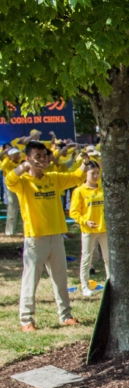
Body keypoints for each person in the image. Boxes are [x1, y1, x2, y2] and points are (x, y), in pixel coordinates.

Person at [7, 141, 82, 331]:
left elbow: (77, 177)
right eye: (37, 156)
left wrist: (87, 161)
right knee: (31, 280)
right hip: (35, 238)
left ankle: (65, 315)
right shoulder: (23, 182)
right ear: (28, 158)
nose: (42, 160)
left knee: (60, 279)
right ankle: (26, 320)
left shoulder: (54, 178)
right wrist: (24, 167)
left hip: (56, 236)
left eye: (44, 156)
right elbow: (9, 180)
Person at [68, 160, 108, 296]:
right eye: (93, 173)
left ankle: (110, 284)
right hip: (88, 230)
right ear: (86, 173)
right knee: (87, 258)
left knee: (108, 258)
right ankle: (85, 286)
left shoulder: (103, 188)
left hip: (104, 229)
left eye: (98, 173)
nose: (96, 176)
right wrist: (85, 221)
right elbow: (73, 212)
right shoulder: (79, 191)